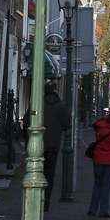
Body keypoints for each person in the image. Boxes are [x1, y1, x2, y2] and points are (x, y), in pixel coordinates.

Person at [41, 81, 71, 212]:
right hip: (53, 144)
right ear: (56, 90)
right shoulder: (60, 107)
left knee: (35, 171)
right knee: (49, 173)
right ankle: (46, 200)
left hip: (36, 144)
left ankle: (35, 198)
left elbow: (26, 121)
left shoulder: (38, 103)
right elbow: (66, 124)